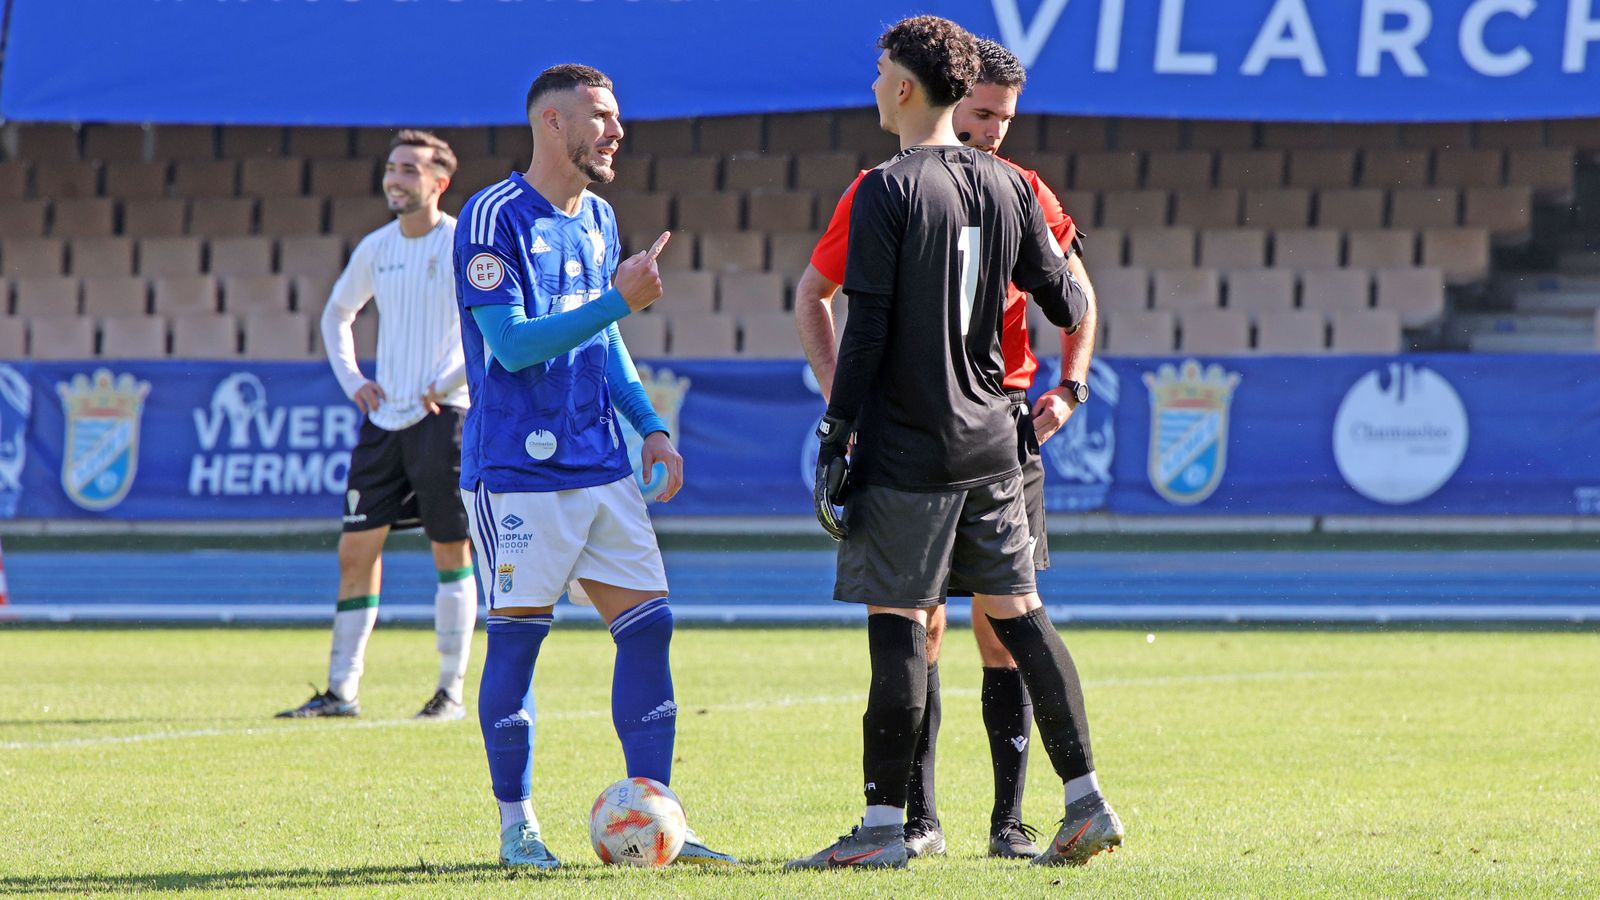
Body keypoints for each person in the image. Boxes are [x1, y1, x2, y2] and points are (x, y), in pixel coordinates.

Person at [787, 16, 1121, 870]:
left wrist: (837, 434)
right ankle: (1086, 803)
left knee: (900, 623)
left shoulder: (882, 189)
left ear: (903, 87)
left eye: (878, 71)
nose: (872, 84)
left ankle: (880, 831)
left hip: (910, 446)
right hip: (996, 442)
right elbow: (1069, 302)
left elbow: (862, 336)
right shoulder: (1010, 187)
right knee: (1021, 618)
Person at [453, 63, 735, 869]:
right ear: (551, 122)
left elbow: (604, 337)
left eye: (616, 116)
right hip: (517, 473)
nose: (617, 130)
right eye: (601, 116)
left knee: (649, 632)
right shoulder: (491, 217)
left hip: (603, 467)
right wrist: (619, 299)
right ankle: (518, 829)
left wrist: (649, 425)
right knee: (517, 646)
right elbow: (510, 345)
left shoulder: (601, 217)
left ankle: (656, 822)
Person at [279, 130, 477, 723]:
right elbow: (338, 313)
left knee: (450, 549)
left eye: (410, 170)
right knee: (354, 551)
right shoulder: (376, 247)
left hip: (446, 417)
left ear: (439, 183)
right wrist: (354, 381)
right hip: (383, 420)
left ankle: (450, 692)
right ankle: (342, 692)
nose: (396, 179)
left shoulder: (463, 245)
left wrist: (443, 384)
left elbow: (492, 326)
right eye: (392, 168)